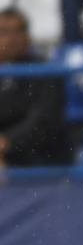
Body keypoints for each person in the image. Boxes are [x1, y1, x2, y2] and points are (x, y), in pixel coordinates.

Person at [0, 9, 72, 167]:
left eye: (19, 31)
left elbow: (42, 121)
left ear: (28, 36)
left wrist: (6, 143)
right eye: (4, 32)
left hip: (37, 160)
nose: (12, 39)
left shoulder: (45, 72)